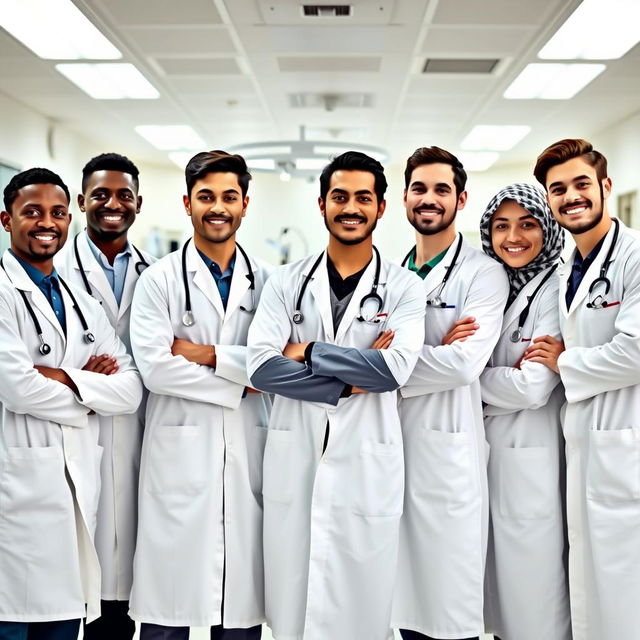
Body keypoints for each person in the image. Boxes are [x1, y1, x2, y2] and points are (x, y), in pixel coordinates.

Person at [247, 151, 425, 640]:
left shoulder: (405, 287)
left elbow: (394, 370)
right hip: (296, 457)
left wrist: (304, 350)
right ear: (322, 203)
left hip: (367, 460)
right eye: (340, 196)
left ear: (381, 207)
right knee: (294, 611)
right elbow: (261, 367)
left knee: (362, 609)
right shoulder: (286, 281)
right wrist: (352, 379)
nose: (351, 207)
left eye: (363, 198)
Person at [128, 150, 272, 639]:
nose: (218, 207)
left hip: (247, 456)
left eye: (229, 196)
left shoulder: (270, 283)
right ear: (187, 203)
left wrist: (205, 353)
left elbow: (274, 367)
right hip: (178, 462)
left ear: (245, 204)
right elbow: (156, 370)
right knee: (169, 612)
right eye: (206, 197)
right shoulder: (159, 280)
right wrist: (240, 378)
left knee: (239, 615)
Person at [0, 168, 142, 639]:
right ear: (7, 220)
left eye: (57, 213)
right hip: (16, 489)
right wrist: (91, 391)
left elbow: (131, 390)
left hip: (76, 488)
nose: (47, 222)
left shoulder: (82, 301)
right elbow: (18, 387)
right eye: (32, 212)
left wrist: (63, 377)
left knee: (64, 622)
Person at [391, 146, 509, 640]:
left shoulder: (482, 272)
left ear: (461, 199)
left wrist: (383, 359)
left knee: (446, 611)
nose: (429, 199)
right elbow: (354, 351)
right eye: (419, 188)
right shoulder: (390, 273)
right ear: (403, 198)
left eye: (442, 189)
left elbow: (462, 365)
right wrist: (422, 353)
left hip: (446, 461)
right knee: (399, 609)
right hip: (389, 453)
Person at [527, 138, 640, 640]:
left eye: (580, 185)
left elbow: (636, 352)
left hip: (623, 444)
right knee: (592, 589)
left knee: (623, 591)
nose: (571, 196)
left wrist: (565, 363)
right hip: (583, 445)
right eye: (558, 190)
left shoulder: (635, 257)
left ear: (605, 187)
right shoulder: (562, 270)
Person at [55, 152, 155, 639]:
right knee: (67, 590)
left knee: (125, 594)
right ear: (81, 202)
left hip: (139, 440)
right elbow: (35, 373)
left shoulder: (157, 276)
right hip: (67, 441)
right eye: (100, 194)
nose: (112, 204)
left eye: (123, 195)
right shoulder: (53, 275)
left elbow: (147, 372)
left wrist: (77, 376)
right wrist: (93, 381)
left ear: (139, 204)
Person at [476, 184, 570, 640]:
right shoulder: (490, 285)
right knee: (499, 595)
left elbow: (532, 388)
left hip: (532, 455)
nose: (513, 237)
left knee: (532, 592)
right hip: (491, 456)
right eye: (501, 226)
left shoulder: (556, 288)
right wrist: (495, 375)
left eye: (528, 224)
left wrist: (464, 377)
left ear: (548, 228)